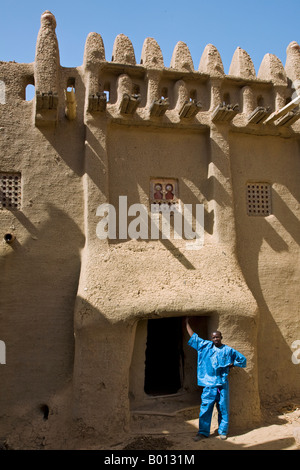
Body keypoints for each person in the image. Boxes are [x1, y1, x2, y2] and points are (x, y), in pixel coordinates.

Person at [185, 317, 246, 441]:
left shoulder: (228, 350)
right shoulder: (205, 347)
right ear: (211, 338)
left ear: (221, 337)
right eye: (213, 337)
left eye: (217, 337)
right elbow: (193, 337)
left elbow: (242, 360)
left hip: (222, 385)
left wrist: (232, 364)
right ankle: (203, 432)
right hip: (209, 385)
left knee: (223, 408)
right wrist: (186, 323)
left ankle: (223, 431)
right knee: (205, 409)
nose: (215, 339)